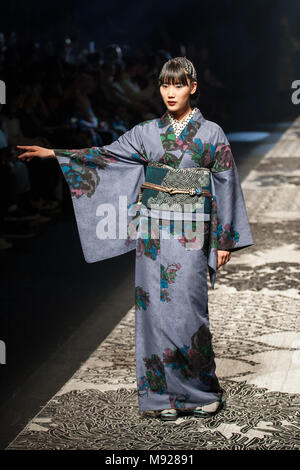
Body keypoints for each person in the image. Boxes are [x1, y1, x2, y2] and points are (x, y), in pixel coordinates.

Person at [17, 57, 254, 422]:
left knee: (190, 310)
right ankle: (161, 397)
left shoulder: (212, 134)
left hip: (192, 231)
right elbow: (106, 155)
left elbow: (225, 184)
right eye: (164, 85)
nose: (170, 92)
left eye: (178, 85)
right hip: (154, 233)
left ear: (193, 87)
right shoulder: (146, 132)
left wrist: (223, 240)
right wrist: (56, 154)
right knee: (153, 313)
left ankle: (199, 391)